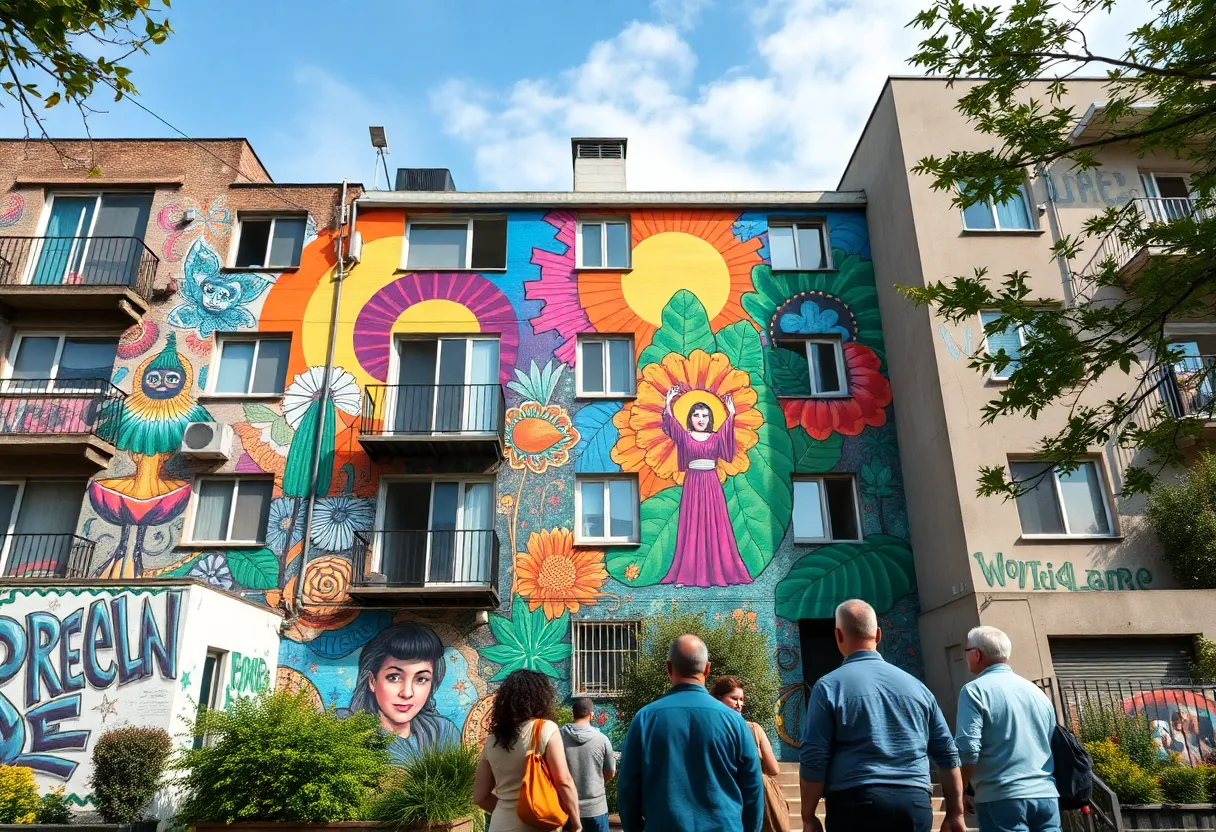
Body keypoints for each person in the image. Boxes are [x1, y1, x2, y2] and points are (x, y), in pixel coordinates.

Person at [799, 599, 965, 832]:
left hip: (856, 802)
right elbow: (948, 753)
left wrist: (808, 815)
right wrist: (955, 814)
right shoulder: (918, 688)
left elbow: (814, 756)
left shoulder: (828, 687)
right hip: (915, 802)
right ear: (878, 635)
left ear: (838, 635)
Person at [617, 634, 763, 832]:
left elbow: (628, 790)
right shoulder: (735, 721)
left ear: (669, 668)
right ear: (707, 668)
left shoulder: (645, 719)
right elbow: (753, 789)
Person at [955, 626, 1060, 832]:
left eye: (966, 651)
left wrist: (960, 790)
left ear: (977, 654)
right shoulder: (1036, 692)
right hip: (1046, 795)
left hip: (1001, 797)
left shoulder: (974, 691)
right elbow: (1050, 740)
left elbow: (968, 748)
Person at [659, 383, 751, 587]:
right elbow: (671, 425)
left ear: (710, 418)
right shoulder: (684, 436)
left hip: (711, 483)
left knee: (714, 524)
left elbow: (727, 445)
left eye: (705, 415)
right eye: (696, 415)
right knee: (691, 526)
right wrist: (668, 402)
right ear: (690, 418)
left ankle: (718, 573)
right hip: (693, 483)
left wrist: (732, 414)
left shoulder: (716, 437)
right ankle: (686, 574)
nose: (700, 419)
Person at [473, 669, 582, 832]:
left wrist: (508, 812)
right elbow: (563, 781)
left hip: (500, 825)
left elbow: (480, 796)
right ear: (541, 698)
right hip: (539, 824)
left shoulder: (492, 740)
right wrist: (576, 822)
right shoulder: (545, 729)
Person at [348, 621, 461, 765]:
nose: (407, 693)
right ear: (372, 681)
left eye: (421, 679)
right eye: (394, 677)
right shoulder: (353, 735)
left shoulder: (442, 732)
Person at [712, 676, 790, 832]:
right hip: (753, 795)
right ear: (719, 698)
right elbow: (773, 769)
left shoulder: (712, 729)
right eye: (734, 699)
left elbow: (775, 770)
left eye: (741, 699)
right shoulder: (753, 729)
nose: (739, 704)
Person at [561, 698, 616, 832]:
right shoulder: (602, 739)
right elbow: (610, 771)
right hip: (596, 808)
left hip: (565, 808)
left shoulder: (558, 737)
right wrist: (600, 784)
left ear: (573, 713)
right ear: (591, 715)